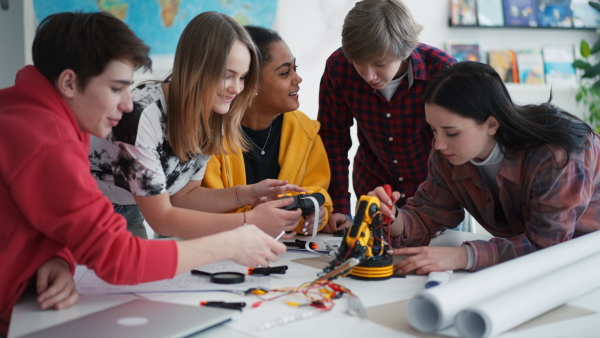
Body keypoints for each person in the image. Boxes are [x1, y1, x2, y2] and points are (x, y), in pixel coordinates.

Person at [0, 12, 285, 336]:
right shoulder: (50, 140)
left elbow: (52, 220)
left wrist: (58, 257)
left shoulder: (54, 119)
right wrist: (235, 239)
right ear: (68, 83)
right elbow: (121, 257)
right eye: (117, 88)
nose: (125, 104)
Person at [369, 61, 600, 274]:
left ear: (491, 124)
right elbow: (426, 215)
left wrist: (463, 255)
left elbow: (547, 246)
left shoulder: (555, 155)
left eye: (451, 132)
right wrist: (392, 216)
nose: (438, 144)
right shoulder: (447, 154)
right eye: (433, 130)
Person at [89, 12, 304, 239]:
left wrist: (248, 194)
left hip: (130, 209)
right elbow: (163, 220)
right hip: (88, 211)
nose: (237, 89)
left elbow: (183, 196)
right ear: (197, 67)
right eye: (227, 75)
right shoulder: (140, 115)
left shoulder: (215, 112)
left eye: (242, 77)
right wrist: (250, 222)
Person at [317, 0, 456, 233]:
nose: (369, 75)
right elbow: (333, 140)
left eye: (380, 63)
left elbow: (458, 147)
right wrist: (340, 206)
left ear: (406, 49)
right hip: (372, 189)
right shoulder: (339, 67)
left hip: (434, 197)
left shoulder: (442, 71)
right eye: (359, 64)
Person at [202, 25, 333, 235]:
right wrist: (261, 220)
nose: (297, 79)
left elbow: (317, 193)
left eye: (295, 68)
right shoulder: (209, 134)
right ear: (251, 83)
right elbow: (206, 209)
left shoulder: (305, 131)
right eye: (285, 72)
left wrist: (316, 213)